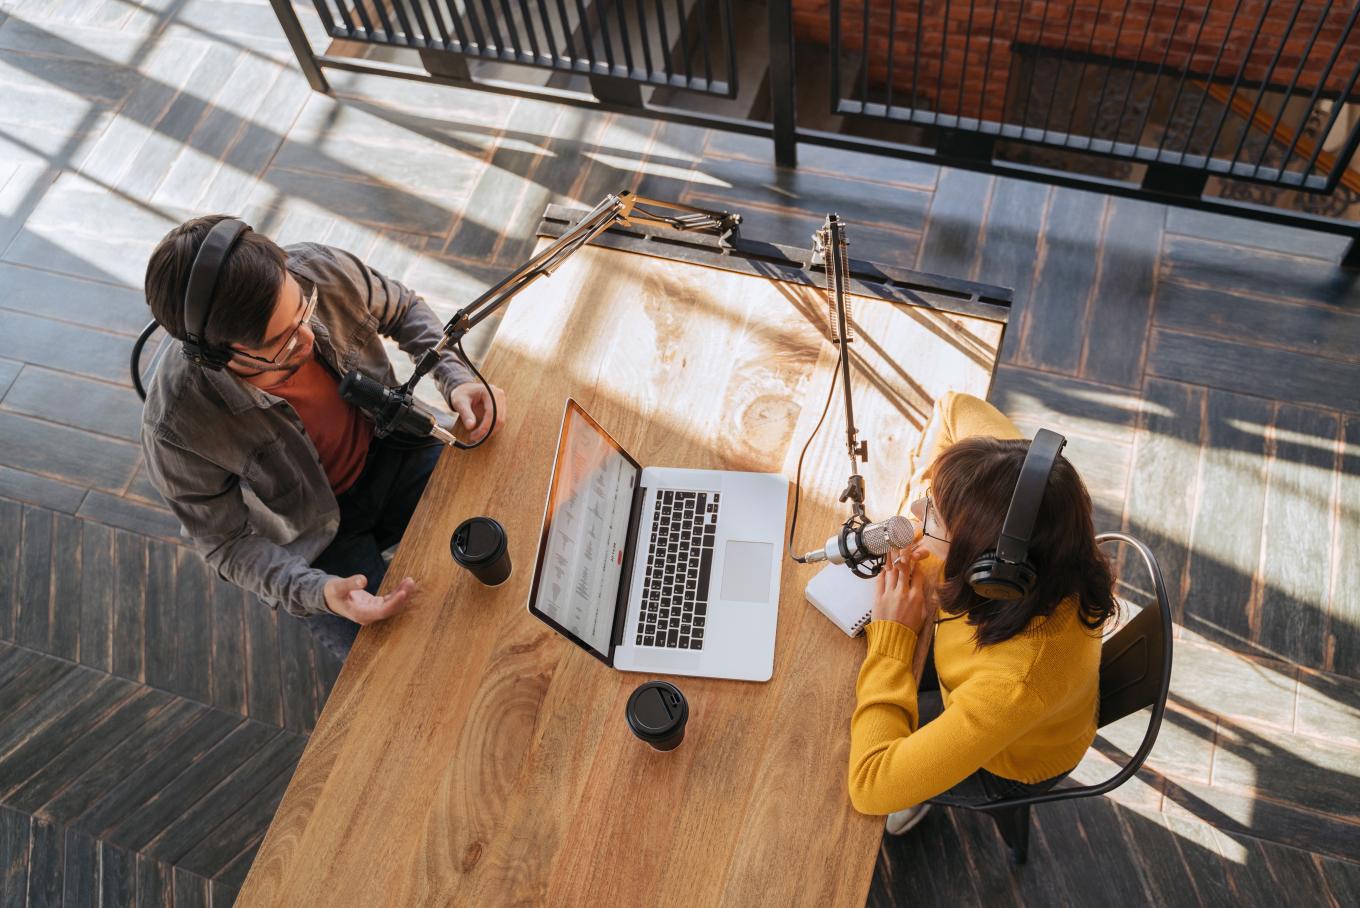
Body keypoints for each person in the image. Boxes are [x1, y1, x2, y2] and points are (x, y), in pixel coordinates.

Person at [141, 215, 507, 659]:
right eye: (279, 344)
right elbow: (225, 543)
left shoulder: (318, 269)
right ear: (213, 356)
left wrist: (454, 376)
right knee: (385, 665)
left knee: (509, 522)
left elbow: (405, 308)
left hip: (395, 446)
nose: (307, 339)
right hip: (316, 535)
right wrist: (320, 592)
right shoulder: (175, 427)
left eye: (304, 311)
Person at [847, 392, 1116, 834]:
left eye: (933, 516)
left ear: (990, 573)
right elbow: (953, 406)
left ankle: (921, 797)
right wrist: (936, 504)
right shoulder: (1017, 495)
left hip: (1005, 762)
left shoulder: (1017, 682)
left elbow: (871, 786)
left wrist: (893, 638)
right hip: (971, 670)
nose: (915, 514)